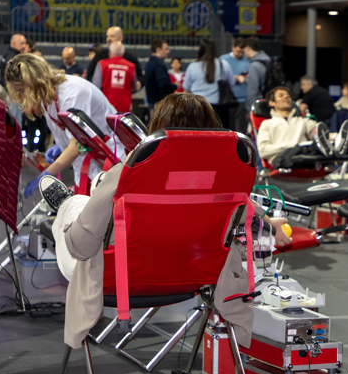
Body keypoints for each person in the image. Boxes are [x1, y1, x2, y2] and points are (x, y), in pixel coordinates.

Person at [35, 92, 292, 348]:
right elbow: (248, 212)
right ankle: (86, 198)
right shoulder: (227, 183)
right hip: (195, 276)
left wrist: (69, 223)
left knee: (78, 213)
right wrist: (270, 223)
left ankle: (68, 204)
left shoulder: (128, 173)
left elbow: (79, 247)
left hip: (117, 278)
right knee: (100, 200)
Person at [5, 53, 122, 196]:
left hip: (109, 157)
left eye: (23, 91)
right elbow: (69, 134)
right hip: (90, 163)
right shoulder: (47, 96)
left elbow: (76, 146)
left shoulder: (72, 93)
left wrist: (47, 174)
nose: (22, 97)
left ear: (35, 83)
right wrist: (60, 145)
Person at [257, 86, 348, 169]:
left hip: (306, 156)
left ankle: (337, 146)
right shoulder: (267, 124)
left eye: (288, 95)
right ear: (272, 102)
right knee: (310, 148)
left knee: (315, 144)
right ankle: (332, 150)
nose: (286, 97)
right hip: (282, 158)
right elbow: (263, 151)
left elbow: (324, 135)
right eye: (281, 95)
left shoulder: (303, 121)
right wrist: (293, 145)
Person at [183, 39, 236, 129]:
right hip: (219, 108)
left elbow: (186, 87)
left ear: (200, 51)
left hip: (197, 107)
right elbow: (232, 83)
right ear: (214, 50)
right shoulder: (223, 64)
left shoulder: (193, 66)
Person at [91, 42, 137, 113]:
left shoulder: (102, 64)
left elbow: (96, 86)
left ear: (109, 52)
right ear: (123, 53)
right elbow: (135, 87)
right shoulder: (131, 66)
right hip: (125, 106)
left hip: (106, 105)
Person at [144, 39, 177, 108]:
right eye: (166, 49)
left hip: (152, 103)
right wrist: (174, 86)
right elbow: (163, 84)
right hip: (160, 103)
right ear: (158, 49)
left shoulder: (148, 64)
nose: (168, 51)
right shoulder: (159, 65)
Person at [242, 35, 271, 111]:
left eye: (244, 49)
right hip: (267, 102)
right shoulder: (266, 61)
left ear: (248, 48)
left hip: (258, 106)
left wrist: (249, 110)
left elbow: (253, 90)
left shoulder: (254, 65)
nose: (244, 52)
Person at [220, 37, 251, 107]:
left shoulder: (248, 59)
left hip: (243, 98)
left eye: (242, 52)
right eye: (238, 51)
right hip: (227, 98)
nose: (240, 54)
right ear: (233, 47)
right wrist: (232, 78)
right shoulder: (223, 59)